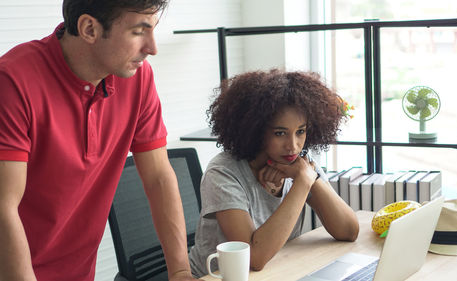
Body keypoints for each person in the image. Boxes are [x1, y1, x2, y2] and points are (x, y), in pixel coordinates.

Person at [0, 1, 199, 280]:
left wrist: (179, 272)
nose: (152, 48)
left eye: (152, 30)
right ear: (89, 28)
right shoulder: (12, 81)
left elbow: (159, 178)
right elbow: (3, 208)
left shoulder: (138, 79)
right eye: (138, 32)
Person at [188, 69, 360, 278]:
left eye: (301, 131)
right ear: (256, 130)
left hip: (277, 271)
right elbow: (254, 258)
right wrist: (304, 181)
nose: (293, 146)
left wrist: (309, 178)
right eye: (280, 133)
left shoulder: (300, 164)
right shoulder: (223, 173)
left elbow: (349, 231)